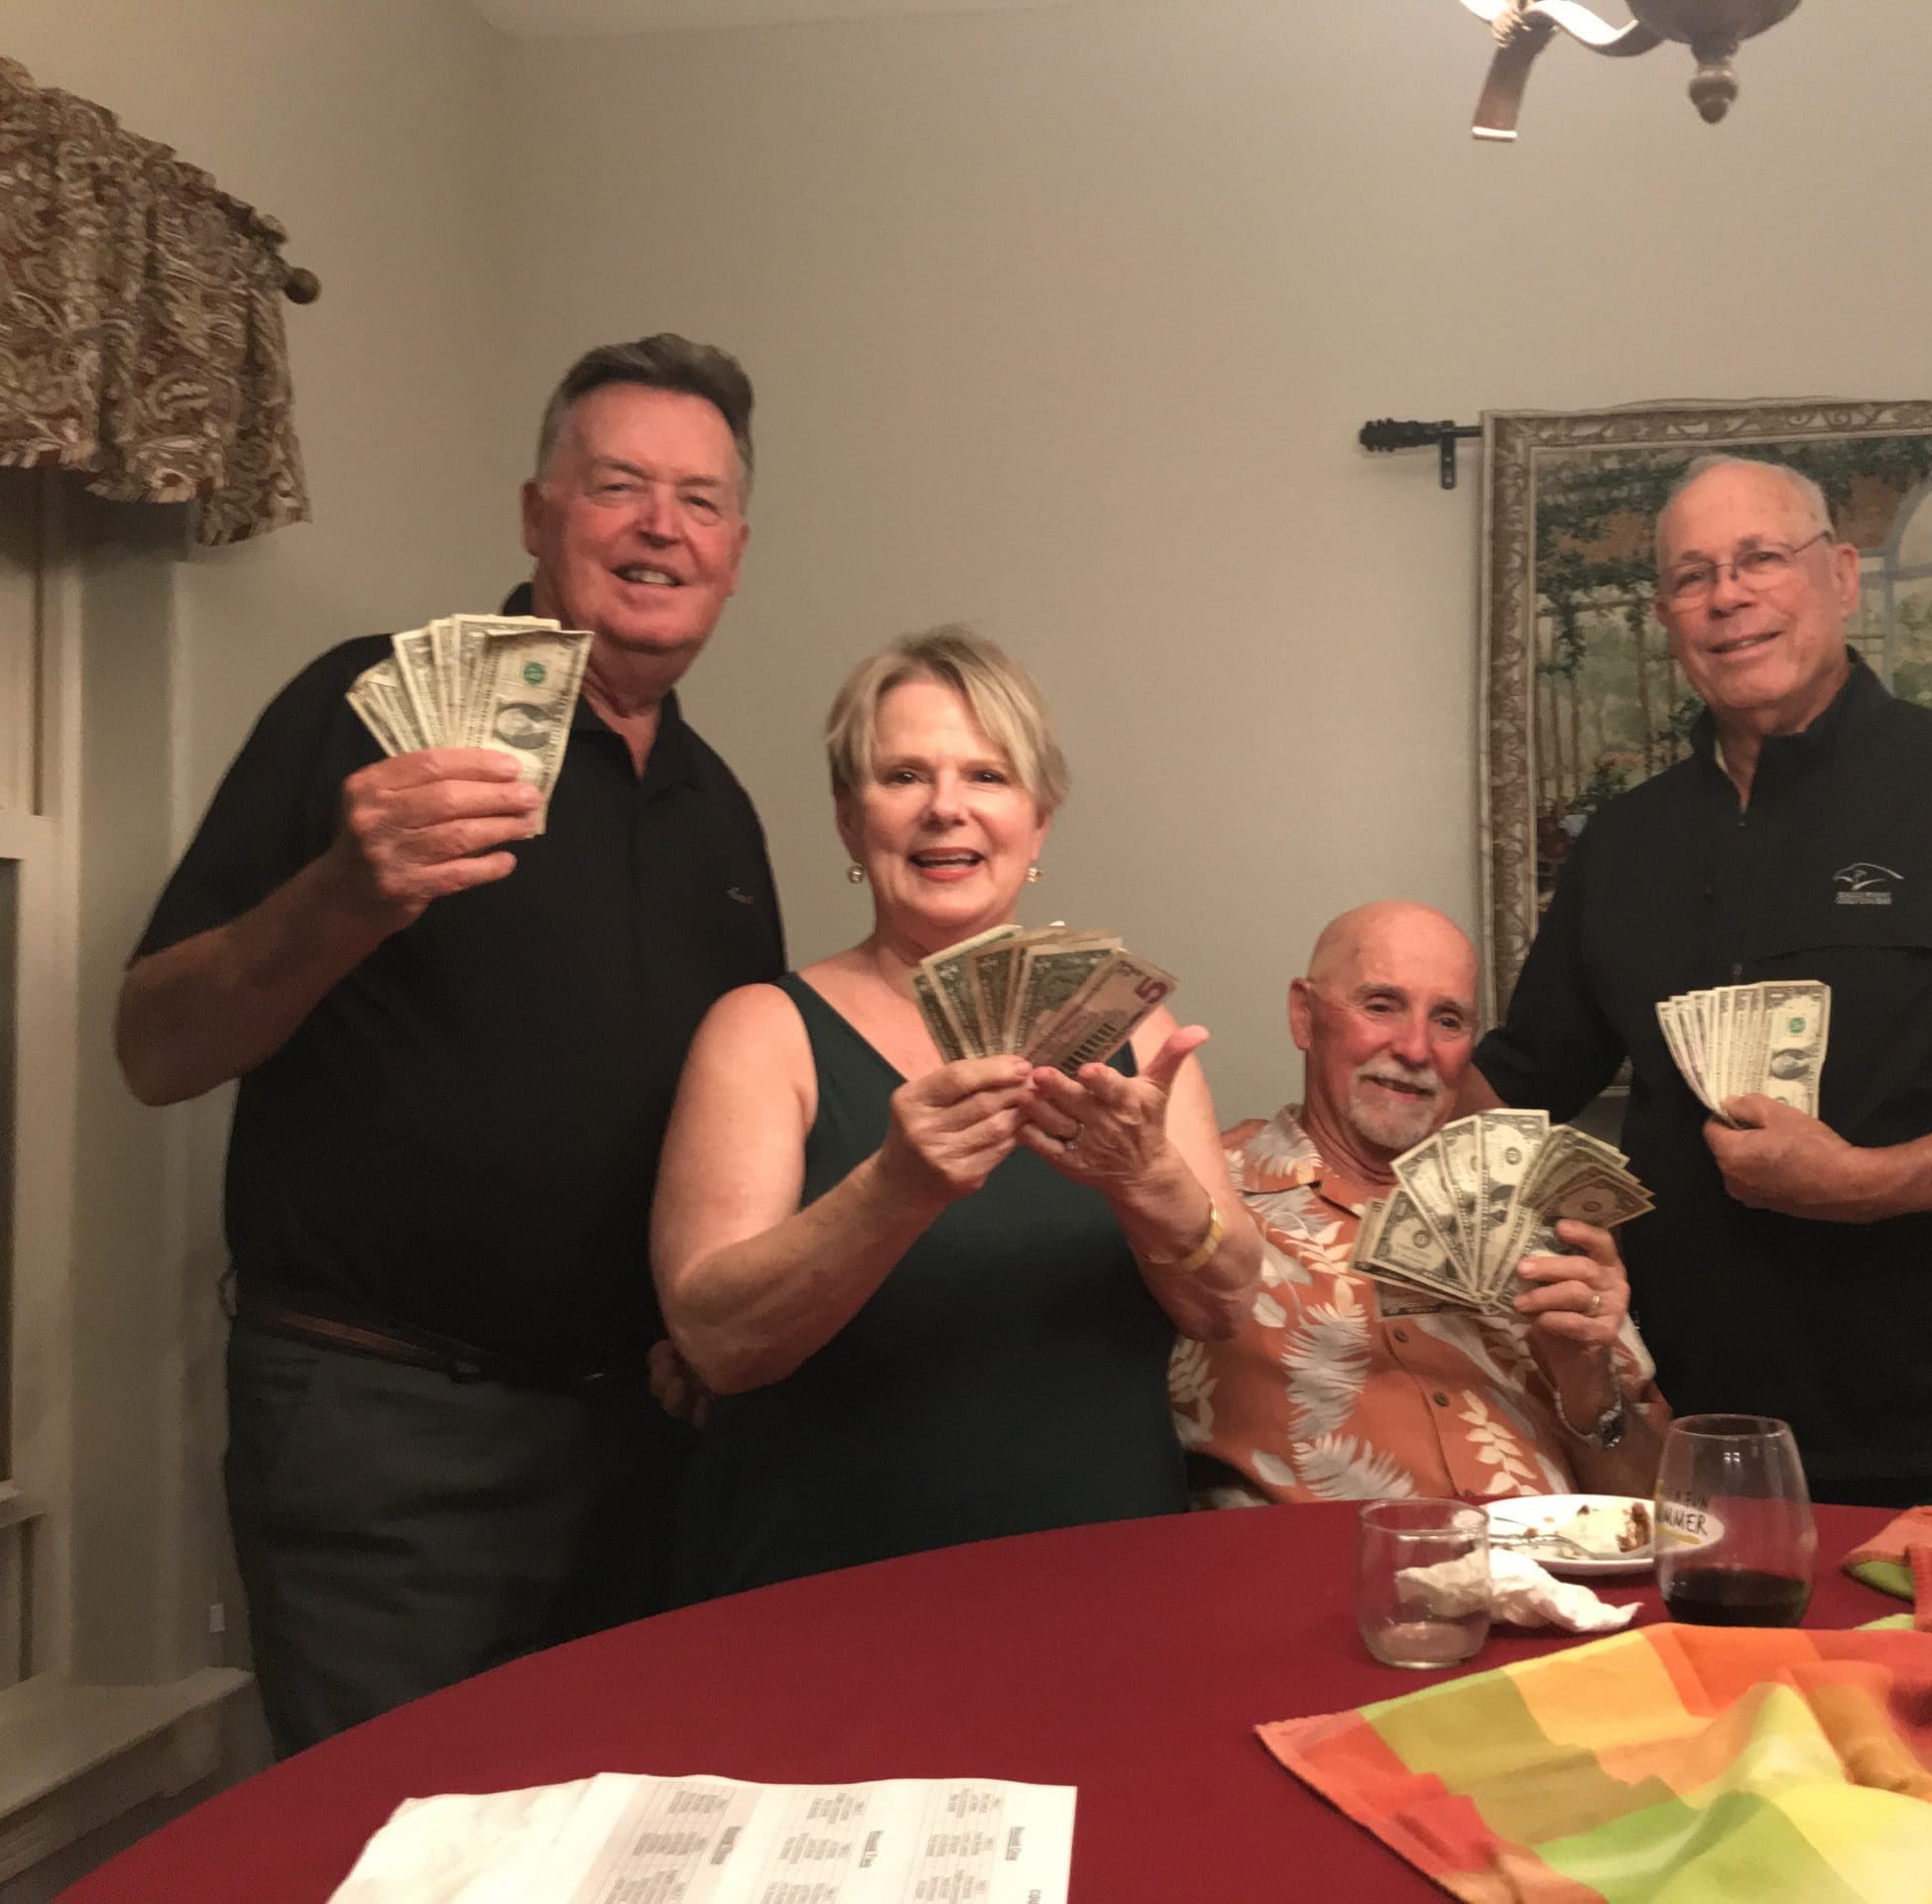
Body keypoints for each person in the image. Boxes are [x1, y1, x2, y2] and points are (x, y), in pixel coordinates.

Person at [114, 335, 783, 1752]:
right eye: (618, 484)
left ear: (736, 554)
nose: (662, 525)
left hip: (633, 1449)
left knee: (601, 1829)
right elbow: (155, 1047)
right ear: (538, 515)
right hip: (383, 1435)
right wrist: (342, 894)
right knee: (393, 1837)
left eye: (702, 501)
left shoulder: (723, 815)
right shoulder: (368, 711)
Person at [1464, 454, 1932, 1516]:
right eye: (1692, 576)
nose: (1727, 596)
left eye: (1760, 558)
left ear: (1841, 576)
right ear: (1668, 617)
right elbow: (1520, 1083)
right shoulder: (1624, 843)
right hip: (1684, 1448)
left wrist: (1870, 1182)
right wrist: (1317, 1134)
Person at [653, 628, 1262, 1597]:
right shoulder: (764, 1032)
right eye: (903, 775)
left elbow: (1224, 1306)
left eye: (987, 775)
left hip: (1107, 1576)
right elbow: (717, 1345)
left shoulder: (1136, 1036)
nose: (946, 807)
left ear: (1038, 820)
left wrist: (1150, 1183)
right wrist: (892, 1190)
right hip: (826, 1590)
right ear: (850, 820)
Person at [1175, 901, 1667, 1507]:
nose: (1415, 1048)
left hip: (1559, 1562)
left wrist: (1590, 1387)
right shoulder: (1196, 1204)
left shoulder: (1545, 1219)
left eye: (1449, 1020)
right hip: (1320, 1564)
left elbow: (1659, 1514)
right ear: (1304, 1015)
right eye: (1381, 1006)